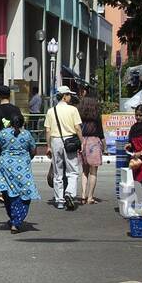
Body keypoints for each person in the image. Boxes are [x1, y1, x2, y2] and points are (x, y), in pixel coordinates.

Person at [0, 106, 40, 233]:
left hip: (5, 166)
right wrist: (26, 158)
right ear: (22, 123)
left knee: (8, 193)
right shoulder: (27, 134)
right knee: (25, 193)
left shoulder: (3, 133)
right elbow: (33, 150)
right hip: (23, 167)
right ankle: (16, 221)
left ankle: (13, 217)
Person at [44, 83, 83, 211]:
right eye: (69, 95)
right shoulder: (73, 110)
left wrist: (48, 146)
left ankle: (59, 200)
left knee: (58, 172)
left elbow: (48, 130)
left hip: (55, 141)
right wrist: (82, 142)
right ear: (64, 96)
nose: (70, 97)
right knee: (72, 170)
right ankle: (69, 194)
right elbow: (77, 127)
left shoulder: (51, 111)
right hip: (70, 141)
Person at [0, 87, 18, 204]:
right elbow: (20, 126)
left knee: (2, 167)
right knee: (14, 165)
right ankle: (13, 190)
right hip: (14, 142)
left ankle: (3, 192)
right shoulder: (16, 109)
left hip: (1, 143)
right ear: (9, 95)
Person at [78, 88, 105, 205]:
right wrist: (105, 146)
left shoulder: (80, 114)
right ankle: (90, 197)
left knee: (84, 171)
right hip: (94, 142)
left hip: (83, 141)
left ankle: (83, 194)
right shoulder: (96, 115)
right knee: (93, 171)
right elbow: (101, 132)